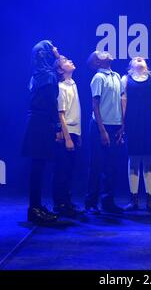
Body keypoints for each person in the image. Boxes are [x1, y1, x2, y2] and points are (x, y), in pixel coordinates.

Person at [22, 40, 61, 224]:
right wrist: (57, 127)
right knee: (38, 167)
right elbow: (52, 104)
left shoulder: (37, 75)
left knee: (37, 167)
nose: (56, 49)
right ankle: (34, 209)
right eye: (52, 47)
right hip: (42, 122)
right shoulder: (48, 76)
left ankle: (35, 206)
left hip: (35, 121)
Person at [121, 57, 151, 212]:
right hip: (132, 123)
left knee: (149, 158)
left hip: (149, 122)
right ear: (131, 66)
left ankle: (150, 198)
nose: (139, 58)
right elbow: (123, 103)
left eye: (142, 58)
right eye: (135, 59)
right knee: (133, 159)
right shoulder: (125, 79)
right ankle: (133, 199)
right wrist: (122, 124)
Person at [85, 51, 124, 214]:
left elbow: (121, 102)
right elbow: (95, 105)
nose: (105, 53)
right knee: (97, 164)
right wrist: (102, 131)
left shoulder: (116, 76)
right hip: (100, 126)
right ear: (97, 62)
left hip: (115, 125)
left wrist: (122, 125)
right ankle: (91, 203)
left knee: (112, 166)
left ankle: (108, 201)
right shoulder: (99, 77)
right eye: (100, 54)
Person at [52, 55, 82, 218]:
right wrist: (68, 137)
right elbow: (61, 114)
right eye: (66, 61)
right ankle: (60, 203)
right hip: (66, 133)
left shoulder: (73, 84)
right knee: (61, 170)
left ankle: (67, 200)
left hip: (74, 132)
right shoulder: (61, 87)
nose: (70, 61)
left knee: (70, 169)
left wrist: (78, 134)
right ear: (60, 69)